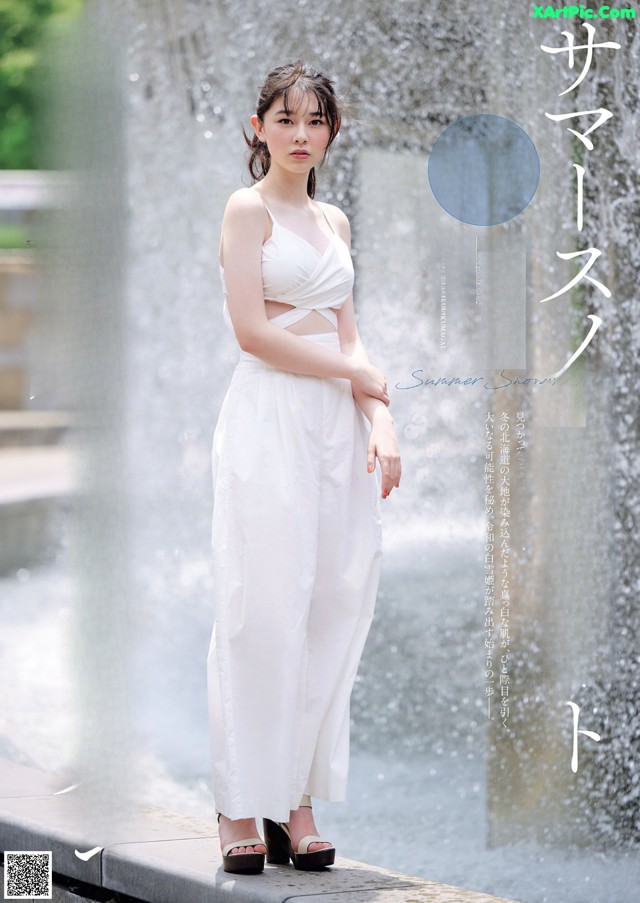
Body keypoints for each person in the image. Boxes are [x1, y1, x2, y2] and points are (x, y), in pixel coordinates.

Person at [206, 60, 401, 875]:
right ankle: (237, 801)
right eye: (284, 119)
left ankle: (298, 802)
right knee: (262, 606)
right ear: (259, 129)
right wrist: (352, 376)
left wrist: (379, 418)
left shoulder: (337, 222)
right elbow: (252, 332)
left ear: (331, 133)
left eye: (314, 120)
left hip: (333, 424)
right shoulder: (246, 212)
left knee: (333, 603)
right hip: (270, 416)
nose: (298, 134)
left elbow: (350, 336)